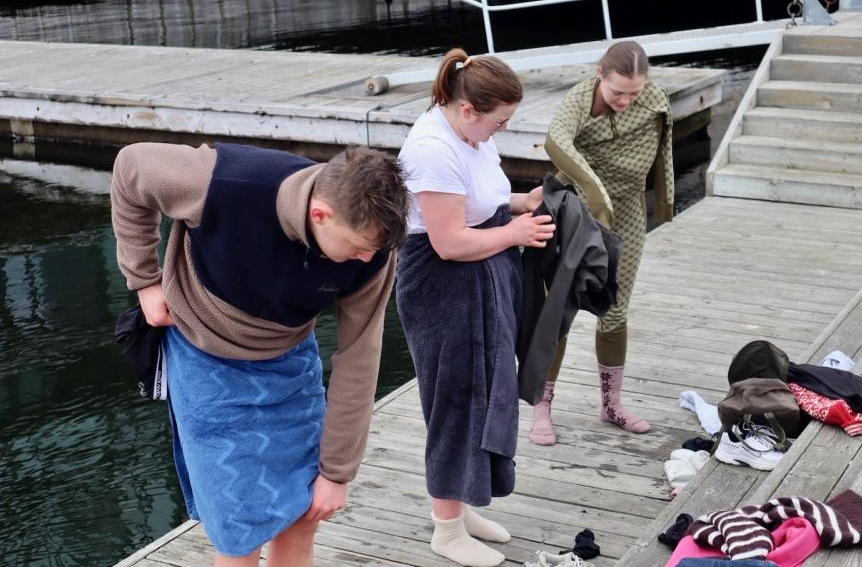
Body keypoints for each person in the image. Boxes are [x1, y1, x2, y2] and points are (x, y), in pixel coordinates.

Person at [110, 142, 409, 567]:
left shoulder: (376, 248)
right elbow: (130, 168)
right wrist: (143, 280)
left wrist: (337, 473)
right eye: (359, 247)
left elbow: (360, 355)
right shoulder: (223, 180)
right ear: (320, 214)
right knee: (240, 530)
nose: (366, 258)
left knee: (303, 515)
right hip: (206, 360)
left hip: (288, 361)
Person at [395, 49, 555, 567]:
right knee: (456, 399)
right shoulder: (432, 149)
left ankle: (460, 507)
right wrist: (515, 233)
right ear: (468, 110)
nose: (501, 131)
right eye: (499, 122)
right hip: (442, 285)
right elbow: (448, 242)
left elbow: (483, 200)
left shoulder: (471, 133)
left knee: (485, 389)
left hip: (482, 272)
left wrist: (523, 203)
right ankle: (446, 529)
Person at [528, 40, 674, 446]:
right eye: (617, 92)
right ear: (599, 75)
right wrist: (594, 192)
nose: (625, 102)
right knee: (559, 303)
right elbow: (556, 140)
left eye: (634, 93)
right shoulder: (580, 99)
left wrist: (664, 202)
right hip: (577, 207)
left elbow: (662, 153)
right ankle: (542, 407)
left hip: (628, 209)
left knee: (615, 307)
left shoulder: (655, 100)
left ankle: (612, 404)